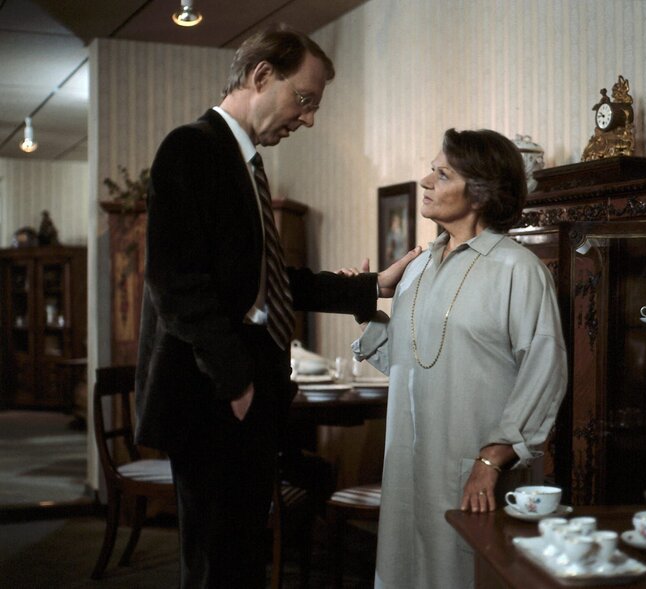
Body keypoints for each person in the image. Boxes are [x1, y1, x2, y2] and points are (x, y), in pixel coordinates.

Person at [133, 26, 419, 589]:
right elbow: (178, 286)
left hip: (242, 395)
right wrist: (237, 383)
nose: (308, 118)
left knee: (241, 558)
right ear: (262, 75)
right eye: (305, 99)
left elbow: (268, 281)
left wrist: (370, 287)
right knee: (220, 565)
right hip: (214, 396)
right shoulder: (192, 147)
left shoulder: (245, 162)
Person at [352, 128, 568, 588]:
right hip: (409, 464)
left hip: (474, 469)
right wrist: (363, 309)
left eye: (442, 173)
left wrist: (491, 460)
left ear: (481, 191)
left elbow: (545, 372)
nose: (426, 181)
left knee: (464, 574)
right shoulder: (416, 267)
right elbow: (412, 360)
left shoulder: (519, 270)